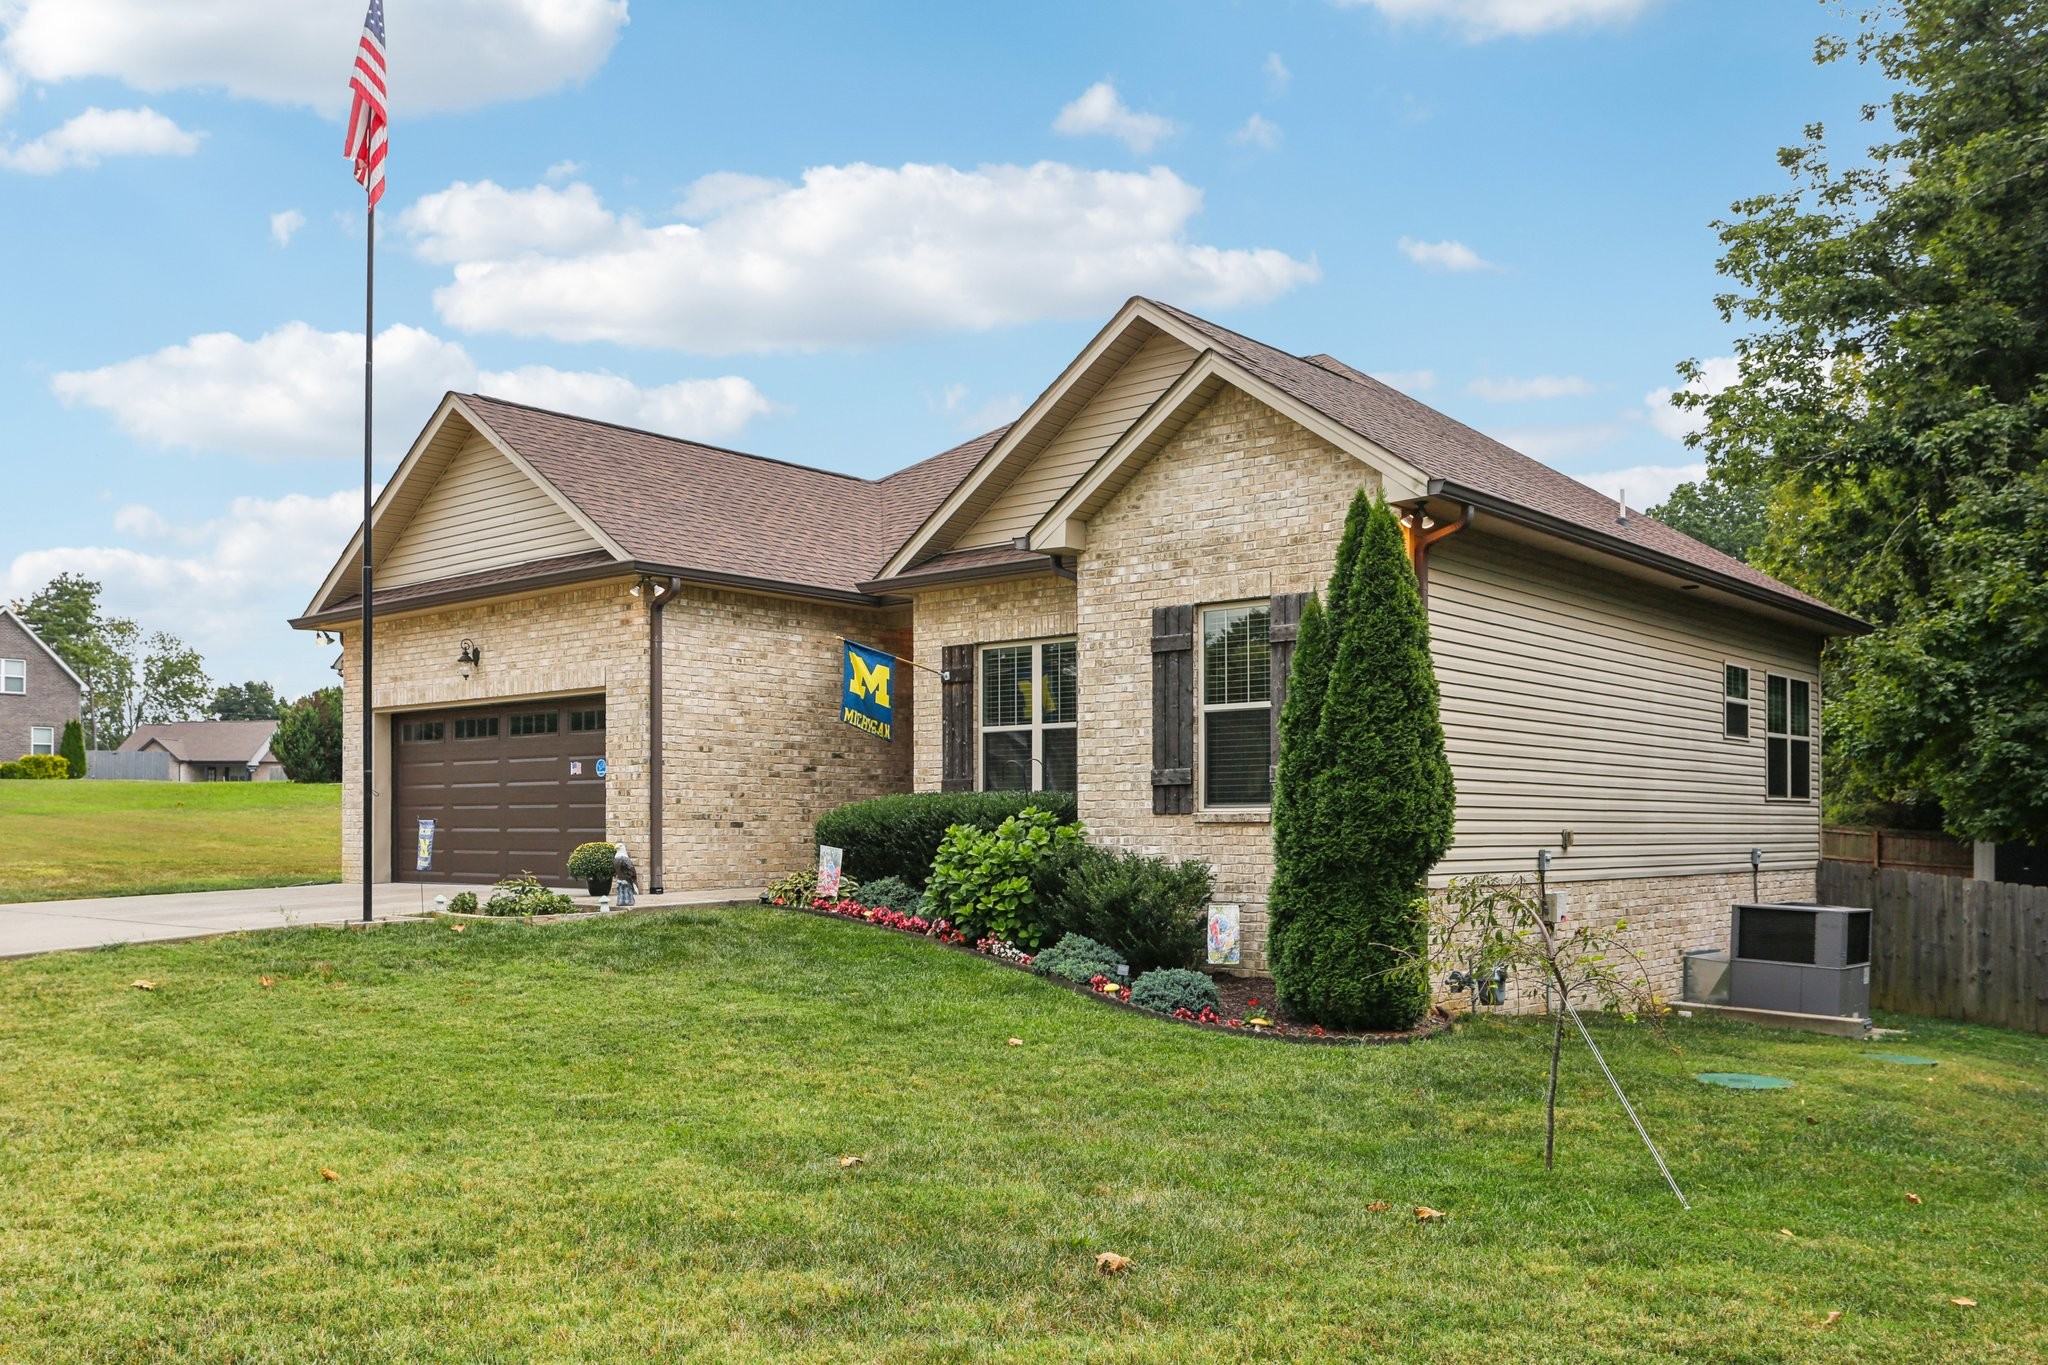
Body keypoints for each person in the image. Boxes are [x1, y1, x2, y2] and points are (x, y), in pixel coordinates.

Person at [612, 843, 638, 907]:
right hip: (621, 879)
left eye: (620, 846)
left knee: (626, 890)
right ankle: (622, 901)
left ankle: (628, 901)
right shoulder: (616, 858)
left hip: (628, 879)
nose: (618, 846)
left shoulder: (624, 859)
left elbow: (631, 873)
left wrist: (630, 880)